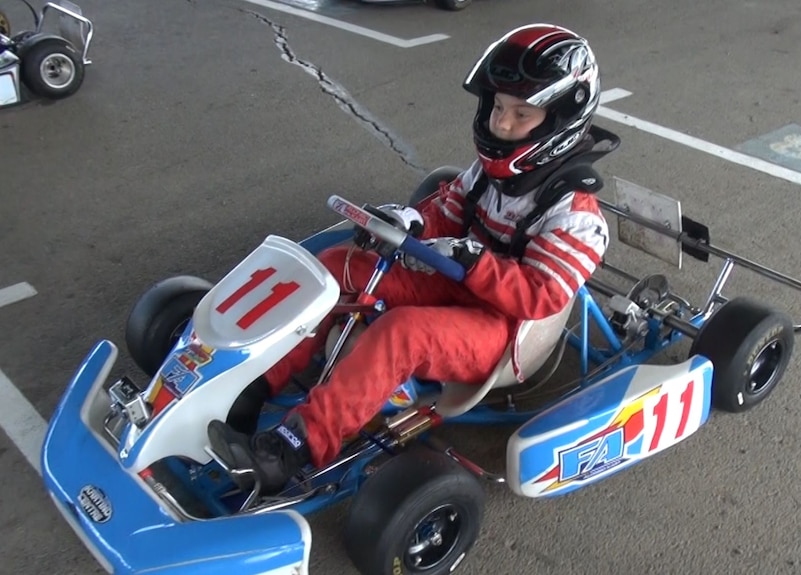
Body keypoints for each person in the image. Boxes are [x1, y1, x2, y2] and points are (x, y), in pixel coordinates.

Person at [208, 23, 612, 495]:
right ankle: (252, 389)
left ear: (561, 121)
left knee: (401, 334)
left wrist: (477, 261)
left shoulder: (577, 216)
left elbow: (541, 297)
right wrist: (410, 222)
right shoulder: (488, 172)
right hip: (458, 282)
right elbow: (446, 210)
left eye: (521, 113)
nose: (502, 124)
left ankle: (295, 447)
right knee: (342, 265)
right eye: (499, 107)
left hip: (505, 329)